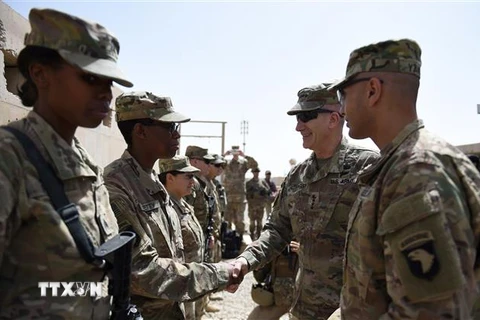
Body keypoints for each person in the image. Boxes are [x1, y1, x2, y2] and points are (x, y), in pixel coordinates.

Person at [328, 38, 480, 319]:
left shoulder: (415, 171)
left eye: (343, 97)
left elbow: (430, 312)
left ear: (372, 91)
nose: (341, 109)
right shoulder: (400, 164)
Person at [0, 8, 132, 318]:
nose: (106, 93)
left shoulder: (83, 161)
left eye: (109, 81)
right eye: (90, 77)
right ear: (40, 73)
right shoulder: (10, 157)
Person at [228, 83, 379, 320]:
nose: (298, 126)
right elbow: (277, 230)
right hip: (304, 307)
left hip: (354, 309)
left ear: (333, 118)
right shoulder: (298, 176)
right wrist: (246, 260)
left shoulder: (368, 168)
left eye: (306, 116)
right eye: (297, 118)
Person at [104, 92, 234, 319]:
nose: (176, 134)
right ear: (140, 131)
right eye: (168, 126)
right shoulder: (117, 185)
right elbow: (141, 270)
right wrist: (219, 274)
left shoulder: (152, 181)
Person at [158, 156, 204, 320]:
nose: (193, 181)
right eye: (188, 176)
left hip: (190, 282)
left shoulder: (182, 204)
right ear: (170, 178)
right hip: (179, 285)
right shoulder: (164, 209)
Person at [223, 146, 258, 239]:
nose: (235, 153)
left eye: (236, 151)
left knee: (240, 221)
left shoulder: (243, 164)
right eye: (233, 151)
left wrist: (245, 156)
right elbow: (214, 163)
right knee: (227, 221)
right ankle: (227, 241)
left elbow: (255, 165)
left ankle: (239, 240)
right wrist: (224, 155)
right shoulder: (226, 164)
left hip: (240, 198)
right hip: (228, 197)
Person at [245, 167, 270, 241]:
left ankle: (258, 237)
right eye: (254, 172)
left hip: (260, 206)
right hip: (252, 206)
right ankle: (252, 237)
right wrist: (251, 193)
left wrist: (263, 191)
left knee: (259, 223)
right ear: (252, 173)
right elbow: (246, 194)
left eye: (257, 172)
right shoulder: (249, 183)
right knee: (252, 223)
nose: (256, 174)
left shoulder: (263, 182)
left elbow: (268, 191)